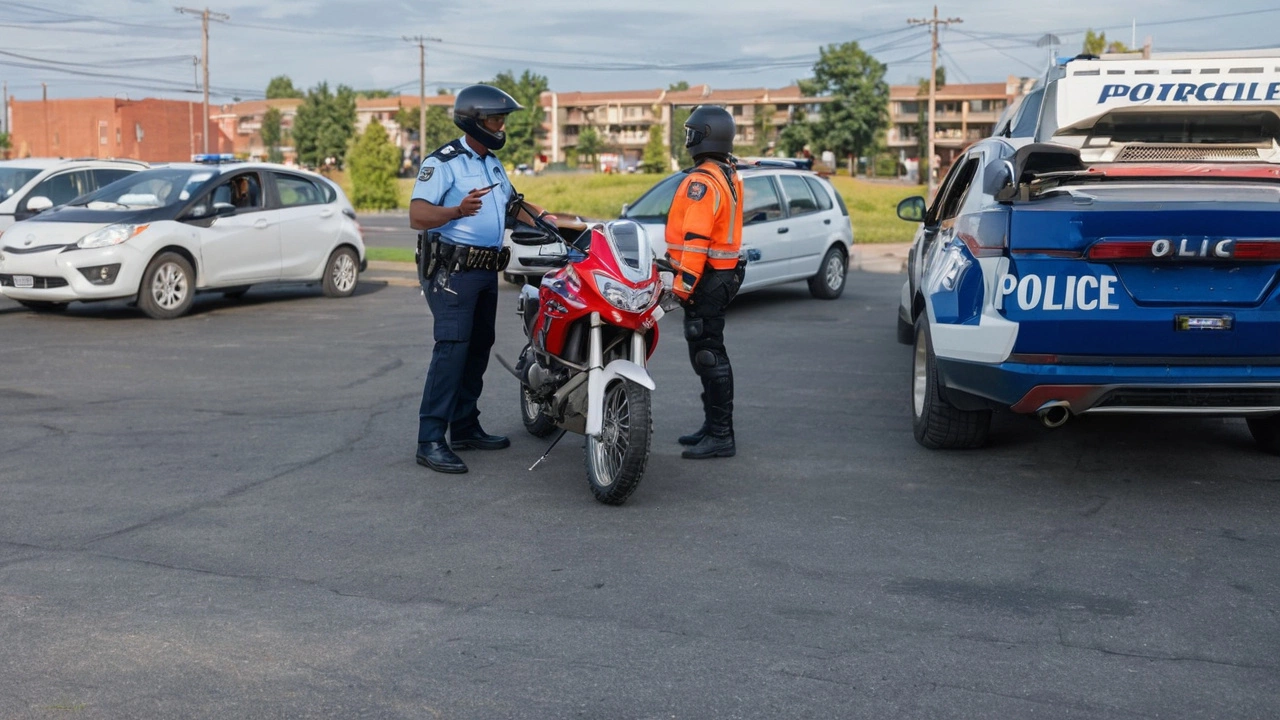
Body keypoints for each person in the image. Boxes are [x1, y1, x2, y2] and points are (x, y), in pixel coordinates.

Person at [407, 84, 526, 474]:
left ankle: (464, 426)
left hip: (485, 269)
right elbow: (418, 216)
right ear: (474, 121)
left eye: (503, 119)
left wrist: (558, 222)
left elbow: (513, 206)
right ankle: (430, 439)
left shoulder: (492, 163)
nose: (502, 126)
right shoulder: (444, 163)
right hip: (451, 272)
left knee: (478, 346)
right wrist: (457, 210)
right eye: (496, 119)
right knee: (452, 348)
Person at [664, 105, 746, 460]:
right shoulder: (726, 174)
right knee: (706, 353)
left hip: (707, 280)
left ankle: (720, 435)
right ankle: (712, 427)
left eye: (691, 132)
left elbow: (695, 240)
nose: (688, 139)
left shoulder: (701, 181)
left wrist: (682, 285)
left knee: (709, 354)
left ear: (704, 135)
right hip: (720, 277)